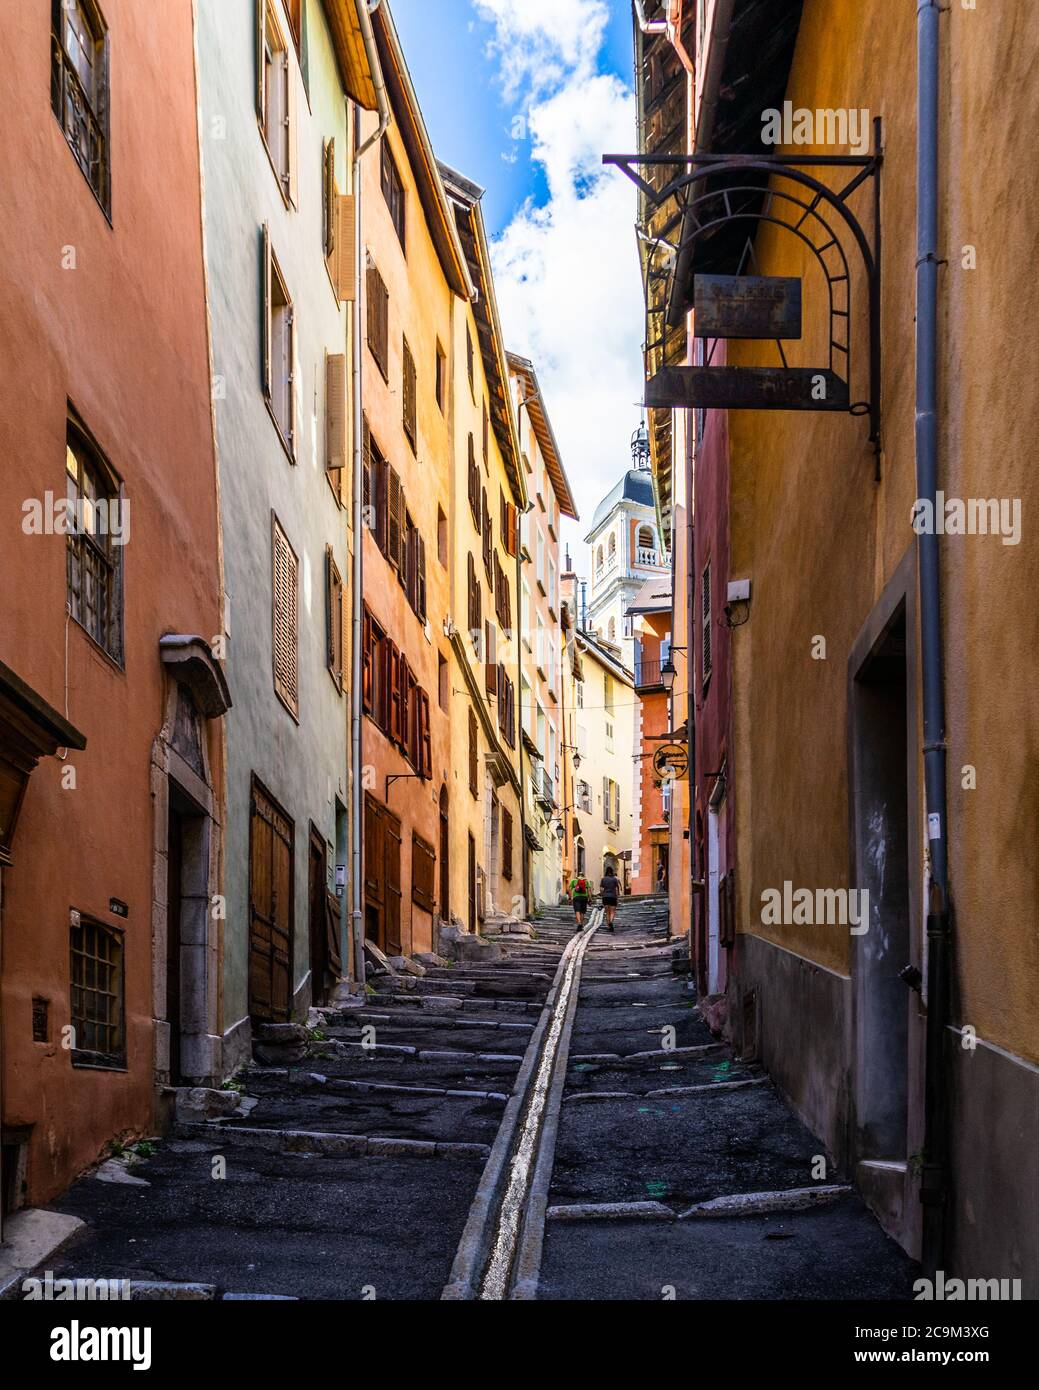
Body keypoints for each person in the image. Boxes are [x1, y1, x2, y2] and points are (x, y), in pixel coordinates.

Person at [600, 865, 621, 932]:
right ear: (612, 872)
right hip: (613, 897)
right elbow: (617, 888)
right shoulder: (614, 879)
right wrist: (617, 896)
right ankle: (611, 922)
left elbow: (601, 888)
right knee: (612, 911)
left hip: (605, 897)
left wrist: (602, 894)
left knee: (607, 912)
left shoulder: (603, 879)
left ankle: (609, 925)